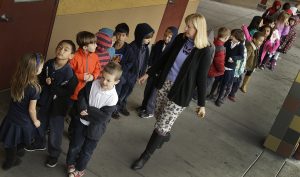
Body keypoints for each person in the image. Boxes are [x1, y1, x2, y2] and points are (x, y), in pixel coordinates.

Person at [131, 13, 212, 170]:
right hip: (164, 84)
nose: (185, 28)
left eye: (189, 26)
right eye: (186, 25)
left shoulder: (205, 50)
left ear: (198, 29)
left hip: (181, 92)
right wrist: (148, 73)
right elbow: (164, 58)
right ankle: (165, 135)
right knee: (159, 116)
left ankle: (144, 156)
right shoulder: (181, 38)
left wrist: (202, 104)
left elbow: (201, 78)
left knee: (161, 125)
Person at [24, 40, 78, 168]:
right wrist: (44, 80)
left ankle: (54, 154)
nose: (61, 50)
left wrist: (52, 84)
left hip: (58, 108)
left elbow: (68, 91)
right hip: (44, 102)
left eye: (66, 49)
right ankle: (39, 143)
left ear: (71, 56)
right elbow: (41, 77)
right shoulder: (48, 64)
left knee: (55, 131)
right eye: (60, 47)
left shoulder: (70, 73)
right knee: (39, 124)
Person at [66, 61, 122, 177]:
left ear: (116, 82)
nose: (104, 82)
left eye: (108, 80)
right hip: (81, 123)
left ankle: (80, 168)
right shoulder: (92, 84)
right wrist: (82, 107)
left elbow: (103, 117)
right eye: (103, 77)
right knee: (75, 146)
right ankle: (71, 164)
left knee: (87, 151)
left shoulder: (113, 98)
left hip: (96, 129)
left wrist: (88, 110)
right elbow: (82, 96)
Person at [0, 53, 44, 170]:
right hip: (23, 121)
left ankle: (14, 154)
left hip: (11, 118)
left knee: (11, 139)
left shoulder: (16, 78)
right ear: (34, 70)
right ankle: (10, 161)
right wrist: (35, 121)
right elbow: (31, 109)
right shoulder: (35, 88)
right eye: (41, 66)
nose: (42, 68)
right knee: (17, 141)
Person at [112, 23, 154, 118]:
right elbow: (130, 63)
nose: (149, 40)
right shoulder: (132, 47)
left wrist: (142, 74)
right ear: (140, 36)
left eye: (150, 38)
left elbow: (144, 62)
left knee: (127, 92)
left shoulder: (145, 48)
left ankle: (122, 105)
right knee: (120, 92)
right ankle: (115, 108)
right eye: (147, 38)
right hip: (126, 75)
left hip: (134, 76)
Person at [137, 26, 178, 119]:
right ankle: (144, 106)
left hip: (161, 75)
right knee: (147, 90)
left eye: (169, 37)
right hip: (152, 72)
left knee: (153, 93)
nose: (166, 38)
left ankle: (149, 111)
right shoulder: (159, 43)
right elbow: (152, 57)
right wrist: (150, 66)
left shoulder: (172, 49)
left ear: (174, 38)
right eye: (165, 35)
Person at [68, 31, 101, 137]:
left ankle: (76, 129)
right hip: (75, 92)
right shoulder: (74, 57)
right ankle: (71, 131)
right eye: (94, 43)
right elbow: (69, 73)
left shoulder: (95, 56)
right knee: (73, 112)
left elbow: (98, 68)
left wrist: (93, 76)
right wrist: (82, 76)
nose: (96, 45)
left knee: (81, 111)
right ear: (85, 47)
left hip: (87, 91)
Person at [214, 29, 245, 107]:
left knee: (224, 85)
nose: (231, 36)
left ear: (237, 37)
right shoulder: (229, 42)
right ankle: (211, 94)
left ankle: (219, 99)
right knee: (217, 80)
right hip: (222, 64)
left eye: (233, 36)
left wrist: (234, 58)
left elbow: (241, 56)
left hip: (230, 68)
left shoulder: (240, 46)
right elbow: (223, 48)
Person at [206, 27, 231, 100]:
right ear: (226, 37)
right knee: (205, 85)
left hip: (206, 67)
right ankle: (195, 96)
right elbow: (219, 62)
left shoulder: (213, 41)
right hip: (211, 70)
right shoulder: (221, 48)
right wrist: (222, 70)